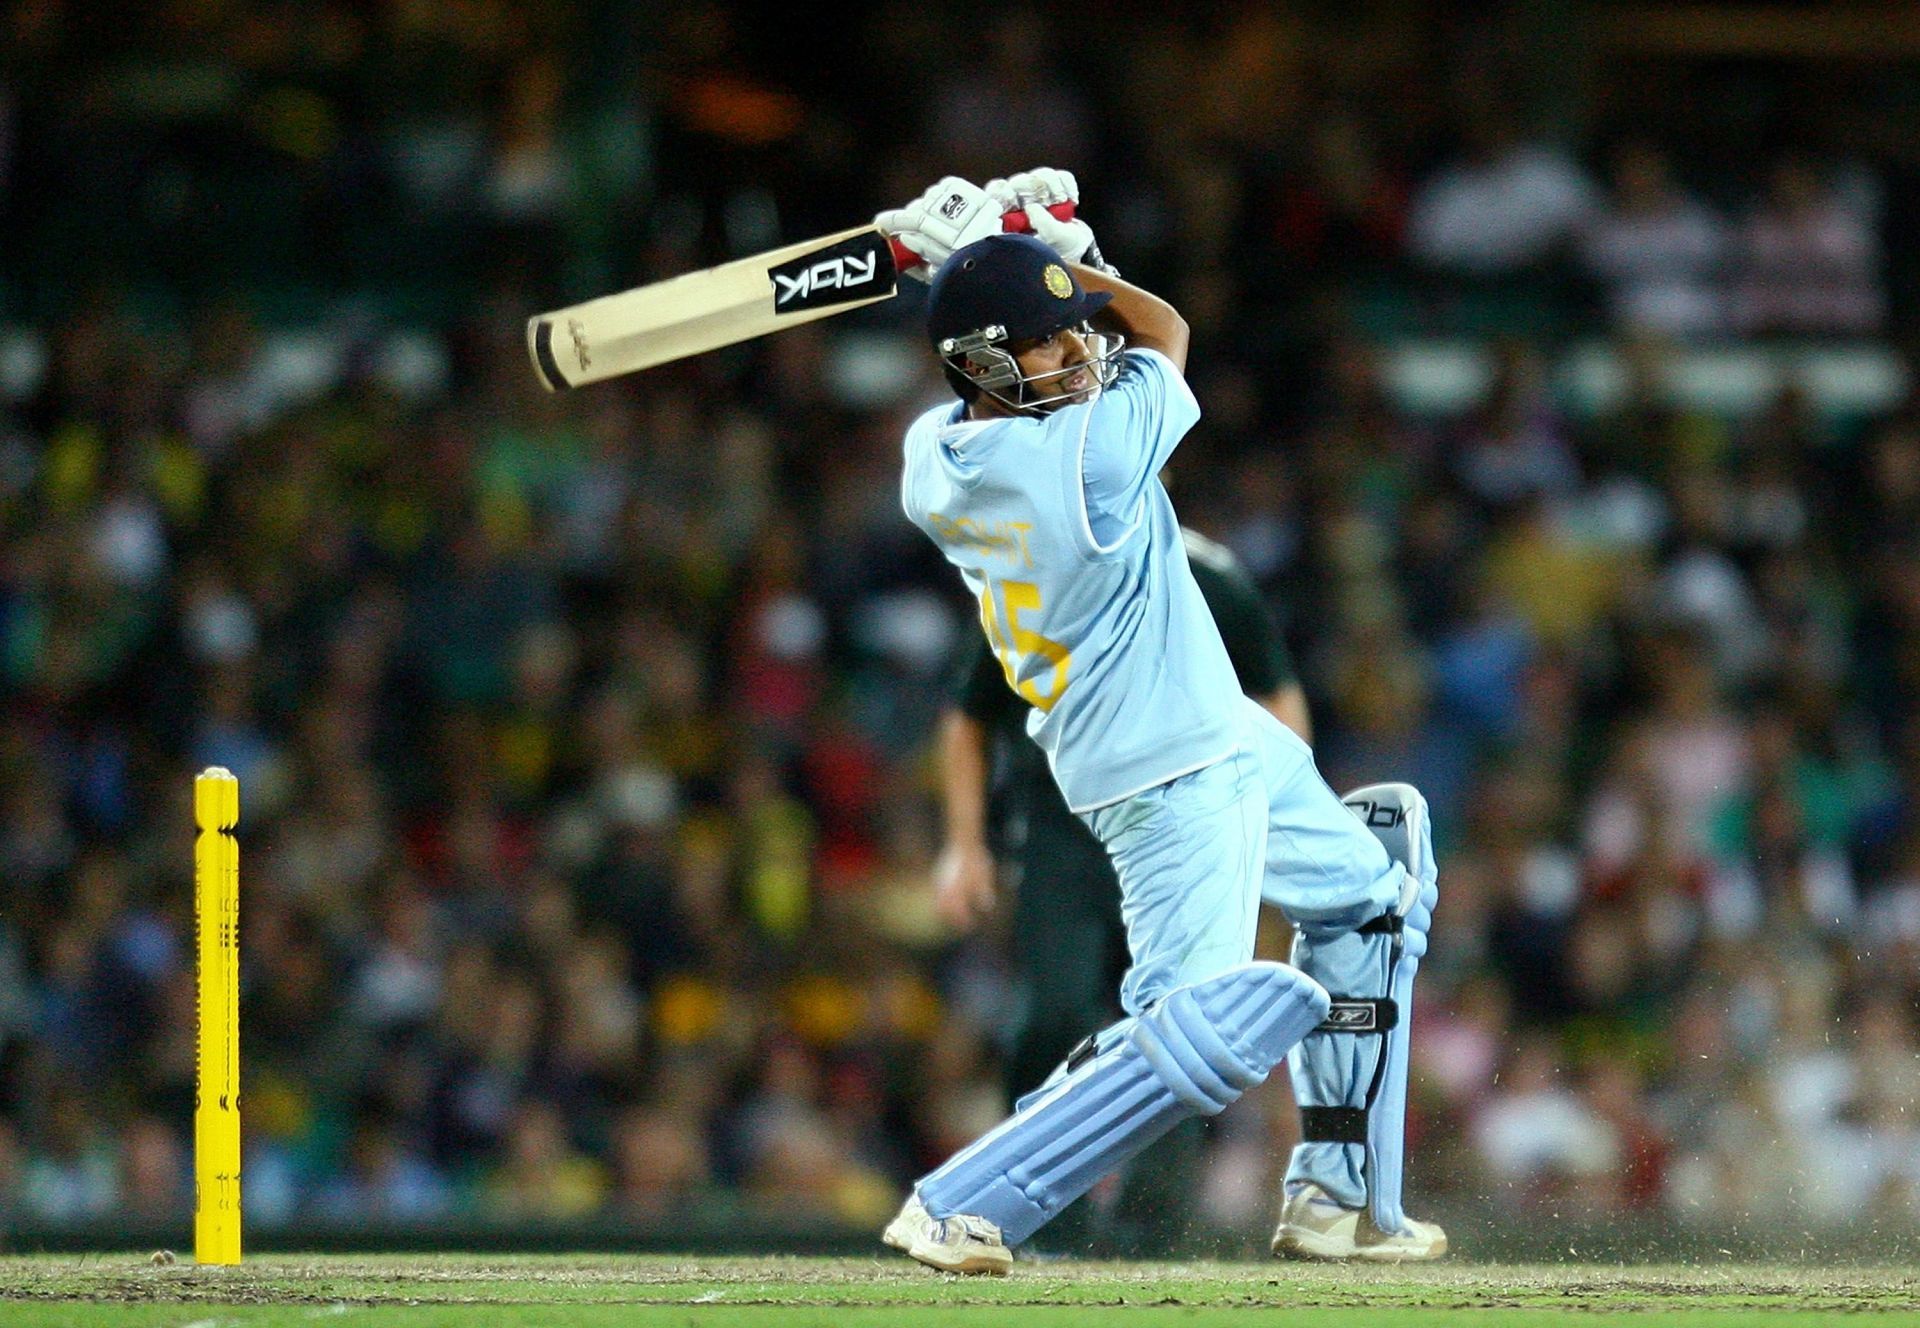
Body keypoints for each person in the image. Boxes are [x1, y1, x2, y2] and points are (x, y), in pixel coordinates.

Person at [872, 169, 1445, 1272]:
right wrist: (1044, 247)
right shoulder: (1082, 461)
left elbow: (1037, 342)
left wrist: (988, 263)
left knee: (1378, 889)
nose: (1080, 353)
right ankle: (958, 1199)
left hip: (1206, 730)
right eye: (1051, 346)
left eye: (1073, 335)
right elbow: (1164, 327)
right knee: (1199, 1035)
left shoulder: (930, 460)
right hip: (1164, 769)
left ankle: (1334, 1197)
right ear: (991, 364)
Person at [934, 525, 1310, 1255]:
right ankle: (1044, 1218)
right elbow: (968, 718)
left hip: (1179, 839)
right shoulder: (1035, 583)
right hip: (1061, 839)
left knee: (1179, 1031)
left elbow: (1280, 700)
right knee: (1052, 1017)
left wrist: (1270, 821)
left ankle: (1148, 1232)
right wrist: (965, 845)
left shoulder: (1213, 577)